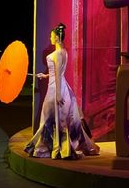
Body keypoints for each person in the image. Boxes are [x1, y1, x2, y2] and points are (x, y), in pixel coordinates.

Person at [25, 24, 100, 159]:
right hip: (59, 86)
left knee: (50, 117)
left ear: (57, 38)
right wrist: (45, 76)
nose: (50, 38)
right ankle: (51, 145)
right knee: (53, 117)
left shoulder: (57, 54)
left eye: (52, 36)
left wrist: (58, 93)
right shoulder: (63, 52)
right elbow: (56, 72)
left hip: (56, 88)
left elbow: (59, 75)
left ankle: (49, 147)